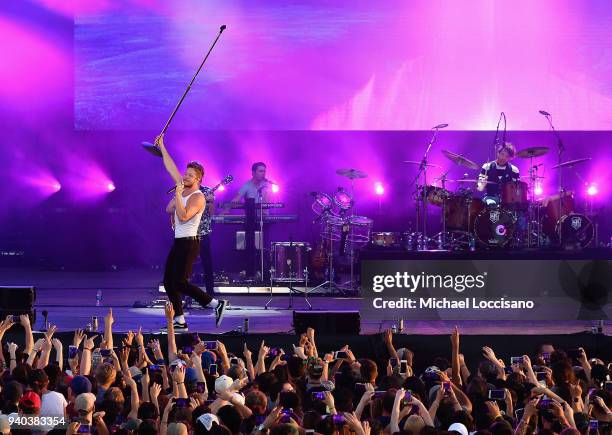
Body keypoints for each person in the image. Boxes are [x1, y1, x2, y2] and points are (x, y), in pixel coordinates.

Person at [156, 134, 227, 329]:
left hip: (190, 243)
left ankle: (215, 304)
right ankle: (180, 320)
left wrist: (178, 195)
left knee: (179, 282)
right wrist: (162, 147)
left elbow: (185, 215)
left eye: (189, 175)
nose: (185, 177)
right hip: (179, 241)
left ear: (198, 179)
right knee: (169, 282)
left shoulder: (198, 197)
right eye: (185, 174)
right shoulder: (184, 188)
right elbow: (170, 166)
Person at [197, 185, 216, 297]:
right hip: (187, 232)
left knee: (207, 263)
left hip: (203, 232)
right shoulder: (184, 189)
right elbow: (170, 208)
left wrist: (211, 202)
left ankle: (210, 292)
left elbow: (212, 213)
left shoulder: (208, 191)